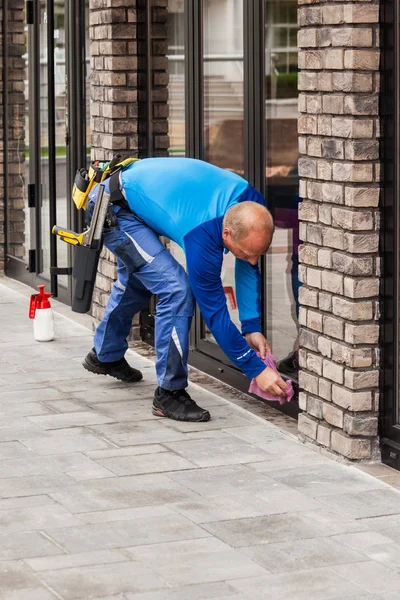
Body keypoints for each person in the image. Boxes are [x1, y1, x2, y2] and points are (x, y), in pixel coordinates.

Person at [82, 157, 289, 422]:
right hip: (113, 208)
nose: (252, 260)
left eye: (258, 253)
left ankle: (105, 355)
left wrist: (251, 326)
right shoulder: (202, 239)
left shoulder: (251, 208)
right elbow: (215, 315)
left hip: (134, 196)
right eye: (247, 253)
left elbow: (249, 265)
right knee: (176, 290)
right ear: (226, 234)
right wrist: (255, 369)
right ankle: (169, 393)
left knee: (139, 282)